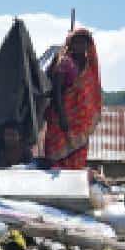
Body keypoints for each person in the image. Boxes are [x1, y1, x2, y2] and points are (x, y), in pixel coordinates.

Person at [39, 28, 102, 169]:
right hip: (62, 120)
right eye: (77, 42)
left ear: (88, 45)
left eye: (84, 42)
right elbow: (57, 93)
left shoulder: (90, 66)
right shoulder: (65, 63)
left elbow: (92, 93)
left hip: (80, 122)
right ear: (70, 43)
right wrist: (62, 118)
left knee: (77, 157)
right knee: (58, 160)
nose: (80, 45)